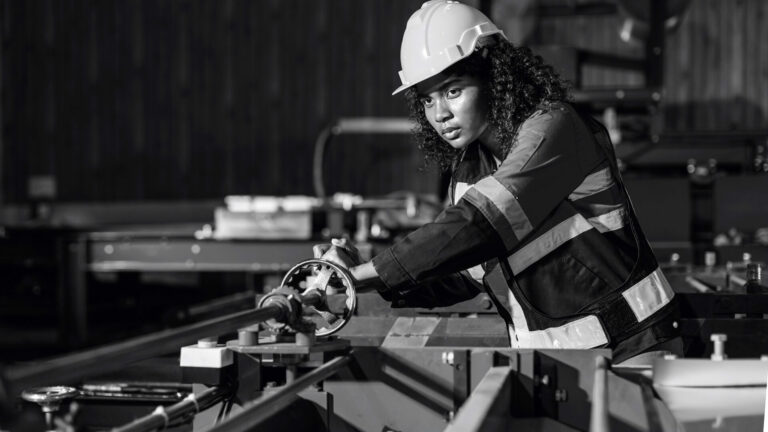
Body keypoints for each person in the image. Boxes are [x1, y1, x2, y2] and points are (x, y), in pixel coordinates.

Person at [319, 0, 680, 363]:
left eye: (453, 91)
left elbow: (481, 224)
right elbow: (465, 273)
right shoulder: (468, 173)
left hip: (632, 345)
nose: (440, 114)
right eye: (427, 100)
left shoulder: (553, 128)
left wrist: (368, 272)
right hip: (556, 363)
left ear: (494, 77)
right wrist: (361, 280)